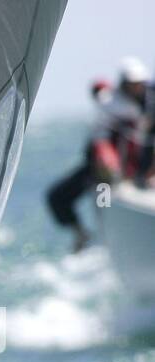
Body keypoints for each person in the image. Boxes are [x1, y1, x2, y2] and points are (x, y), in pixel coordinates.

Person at [47, 57, 152, 251]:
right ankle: (82, 233)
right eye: (132, 84)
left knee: (106, 202)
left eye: (139, 84)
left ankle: (105, 236)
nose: (137, 88)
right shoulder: (112, 102)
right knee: (57, 197)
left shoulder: (146, 104)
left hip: (124, 172)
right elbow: (99, 89)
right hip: (101, 172)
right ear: (124, 83)